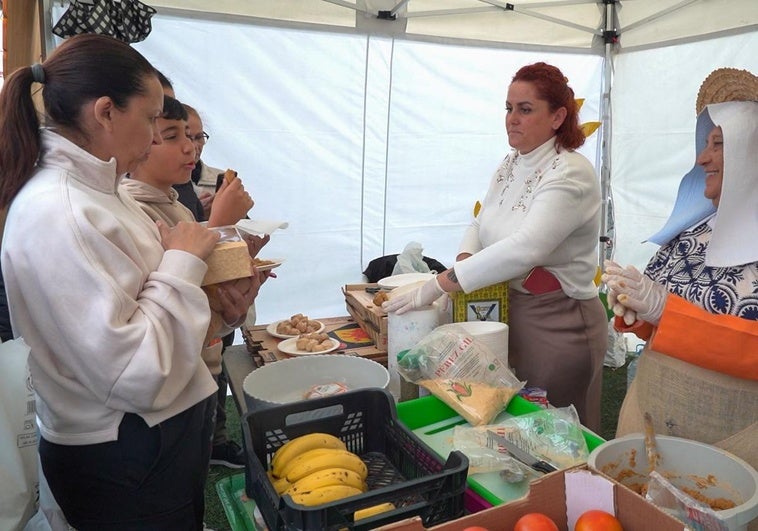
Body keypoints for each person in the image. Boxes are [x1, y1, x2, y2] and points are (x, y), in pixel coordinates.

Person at [0, 34, 256, 530]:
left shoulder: (101, 191)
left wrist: (214, 298)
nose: (156, 138)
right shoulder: (64, 210)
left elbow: (143, 302)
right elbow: (138, 373)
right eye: (151, 120)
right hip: (124, 448)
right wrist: (182, 263)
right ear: (105, 113)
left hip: (150, 438)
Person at [384, 62, 607, 432]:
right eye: (508, 108)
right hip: (509, 309)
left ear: (558, 117)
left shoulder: (570, 173)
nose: (512, 119)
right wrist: (464, 261)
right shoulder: (511, 163)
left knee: (558, 432)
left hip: (558, 320)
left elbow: (527, 247)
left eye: (525, 109)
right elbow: (480, 221)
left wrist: (442, 283)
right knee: (513, 425)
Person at [603, 68, 758, 472]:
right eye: (704, 143)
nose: (701, 157)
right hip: (650, 419)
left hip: (737, 444)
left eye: (719, 144)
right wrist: (633, 309)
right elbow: (660, 323)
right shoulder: (693, 231)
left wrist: (664, 311)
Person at [183, 101, 271, 469]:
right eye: (181, 136)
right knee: (195, 369)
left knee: (217, 363)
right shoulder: (147, 192)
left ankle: (216, 441)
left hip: (221, 291)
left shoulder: (221, 179)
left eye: (198, 135)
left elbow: (241, 230)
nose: (193, 145)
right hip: (190, 299)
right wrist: (209, 219)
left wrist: (244, 235)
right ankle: (196, 449)